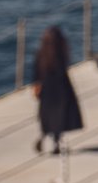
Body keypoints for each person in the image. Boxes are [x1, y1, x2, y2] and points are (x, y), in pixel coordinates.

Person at [31, 24, 84, 154]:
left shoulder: (41, 54)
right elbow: (62, 73)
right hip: (61, 91)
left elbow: (36, 73)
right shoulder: (60, 54)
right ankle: (55, 144)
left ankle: (44, 137)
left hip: (47, 91)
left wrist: (37, 87)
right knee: (59, 119)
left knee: (47, 118)